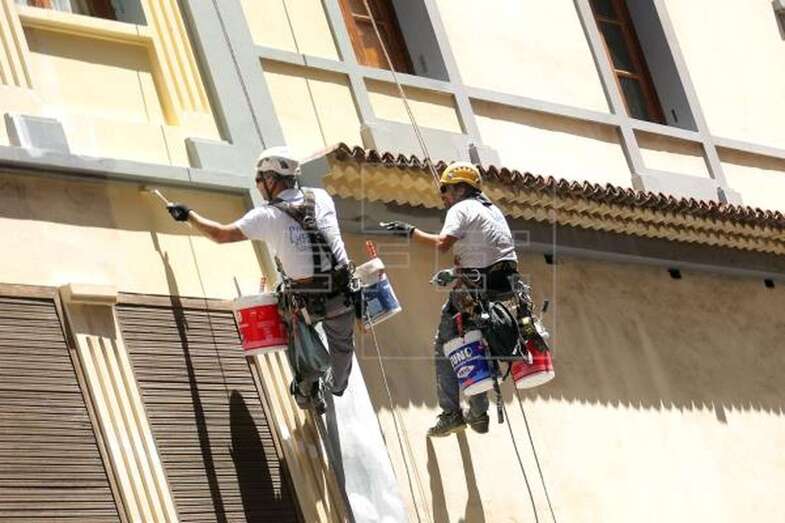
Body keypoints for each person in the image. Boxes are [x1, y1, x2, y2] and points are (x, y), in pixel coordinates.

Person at [166, 147, 356, 414]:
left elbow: (221, 235)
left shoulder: (266, 216)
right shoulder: (323, 198)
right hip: (342, 294)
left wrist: (188, 216)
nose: (257, 185)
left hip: (306, 302)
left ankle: (306, 388)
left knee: (290, 324)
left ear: (271, 180)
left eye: (258, 179)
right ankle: (337, 386)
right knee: (343, 348)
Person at [381, 161, 519, 437]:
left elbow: (442, 245)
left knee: (446, 344)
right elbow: (483, 255)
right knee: (473, 341)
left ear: (460, 187)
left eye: (445, 189)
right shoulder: (492, 211)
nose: (443, 196)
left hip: (474, 288)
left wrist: (409, 232)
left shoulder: (461, 208)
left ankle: (451, 414)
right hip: (499, 288)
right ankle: (478, 414)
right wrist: (453, 275)